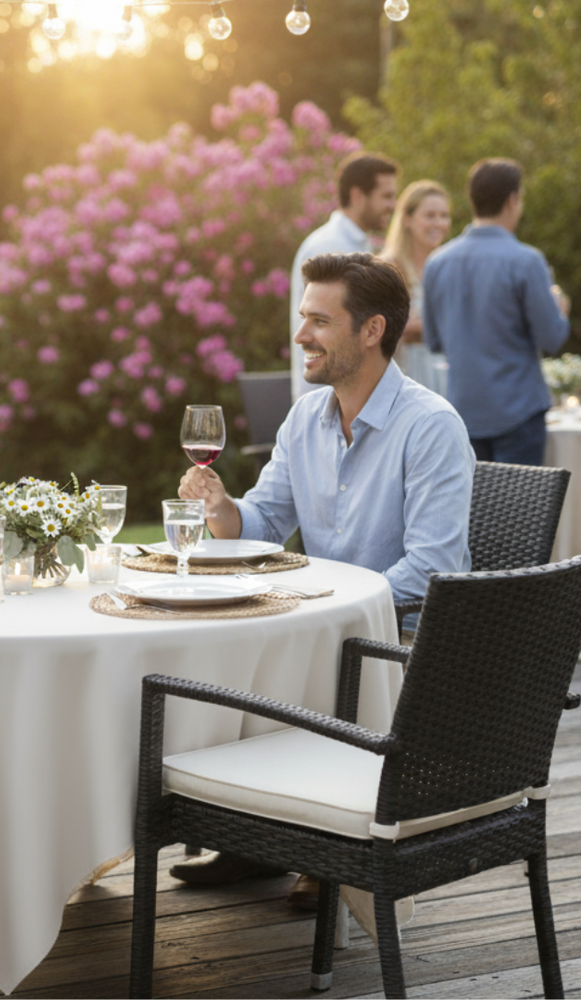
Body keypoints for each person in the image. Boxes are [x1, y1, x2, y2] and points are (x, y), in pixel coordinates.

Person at [172, 251, 475, 906]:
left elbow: (433, 568)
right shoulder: (304, 419)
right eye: (303, 317)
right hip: (324, 625)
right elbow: (264, 523)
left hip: (398, 645)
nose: (300, 335)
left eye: (318, 320)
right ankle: (253, 831)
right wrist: (222, 508)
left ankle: (323, 842)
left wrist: (328, 607)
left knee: (262, 649)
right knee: (216, 651)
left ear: (371, 331)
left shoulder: (431, 427)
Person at [423, 158, 571, 465]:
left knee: (474, 498)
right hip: (518, 411)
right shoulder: (526, 261)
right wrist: (561, 310)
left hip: (463, 410)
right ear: (511, 200)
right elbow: (552, 338)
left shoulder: (437, 262)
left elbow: (434, 341)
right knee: (522, 499)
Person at [289, 152, 400, 401]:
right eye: (386, 196)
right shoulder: (330, 246)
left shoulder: (357, 244)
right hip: (330, 397)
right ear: (357, 195)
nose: (393, 205)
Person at [381, 180, 452, 395]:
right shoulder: (390, 269)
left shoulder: (447, 267)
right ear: (407, 219)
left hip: (445, 377)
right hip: (406, 378)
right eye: (430, 216)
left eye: (444, 216)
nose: (438, 223)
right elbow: (385, 328)